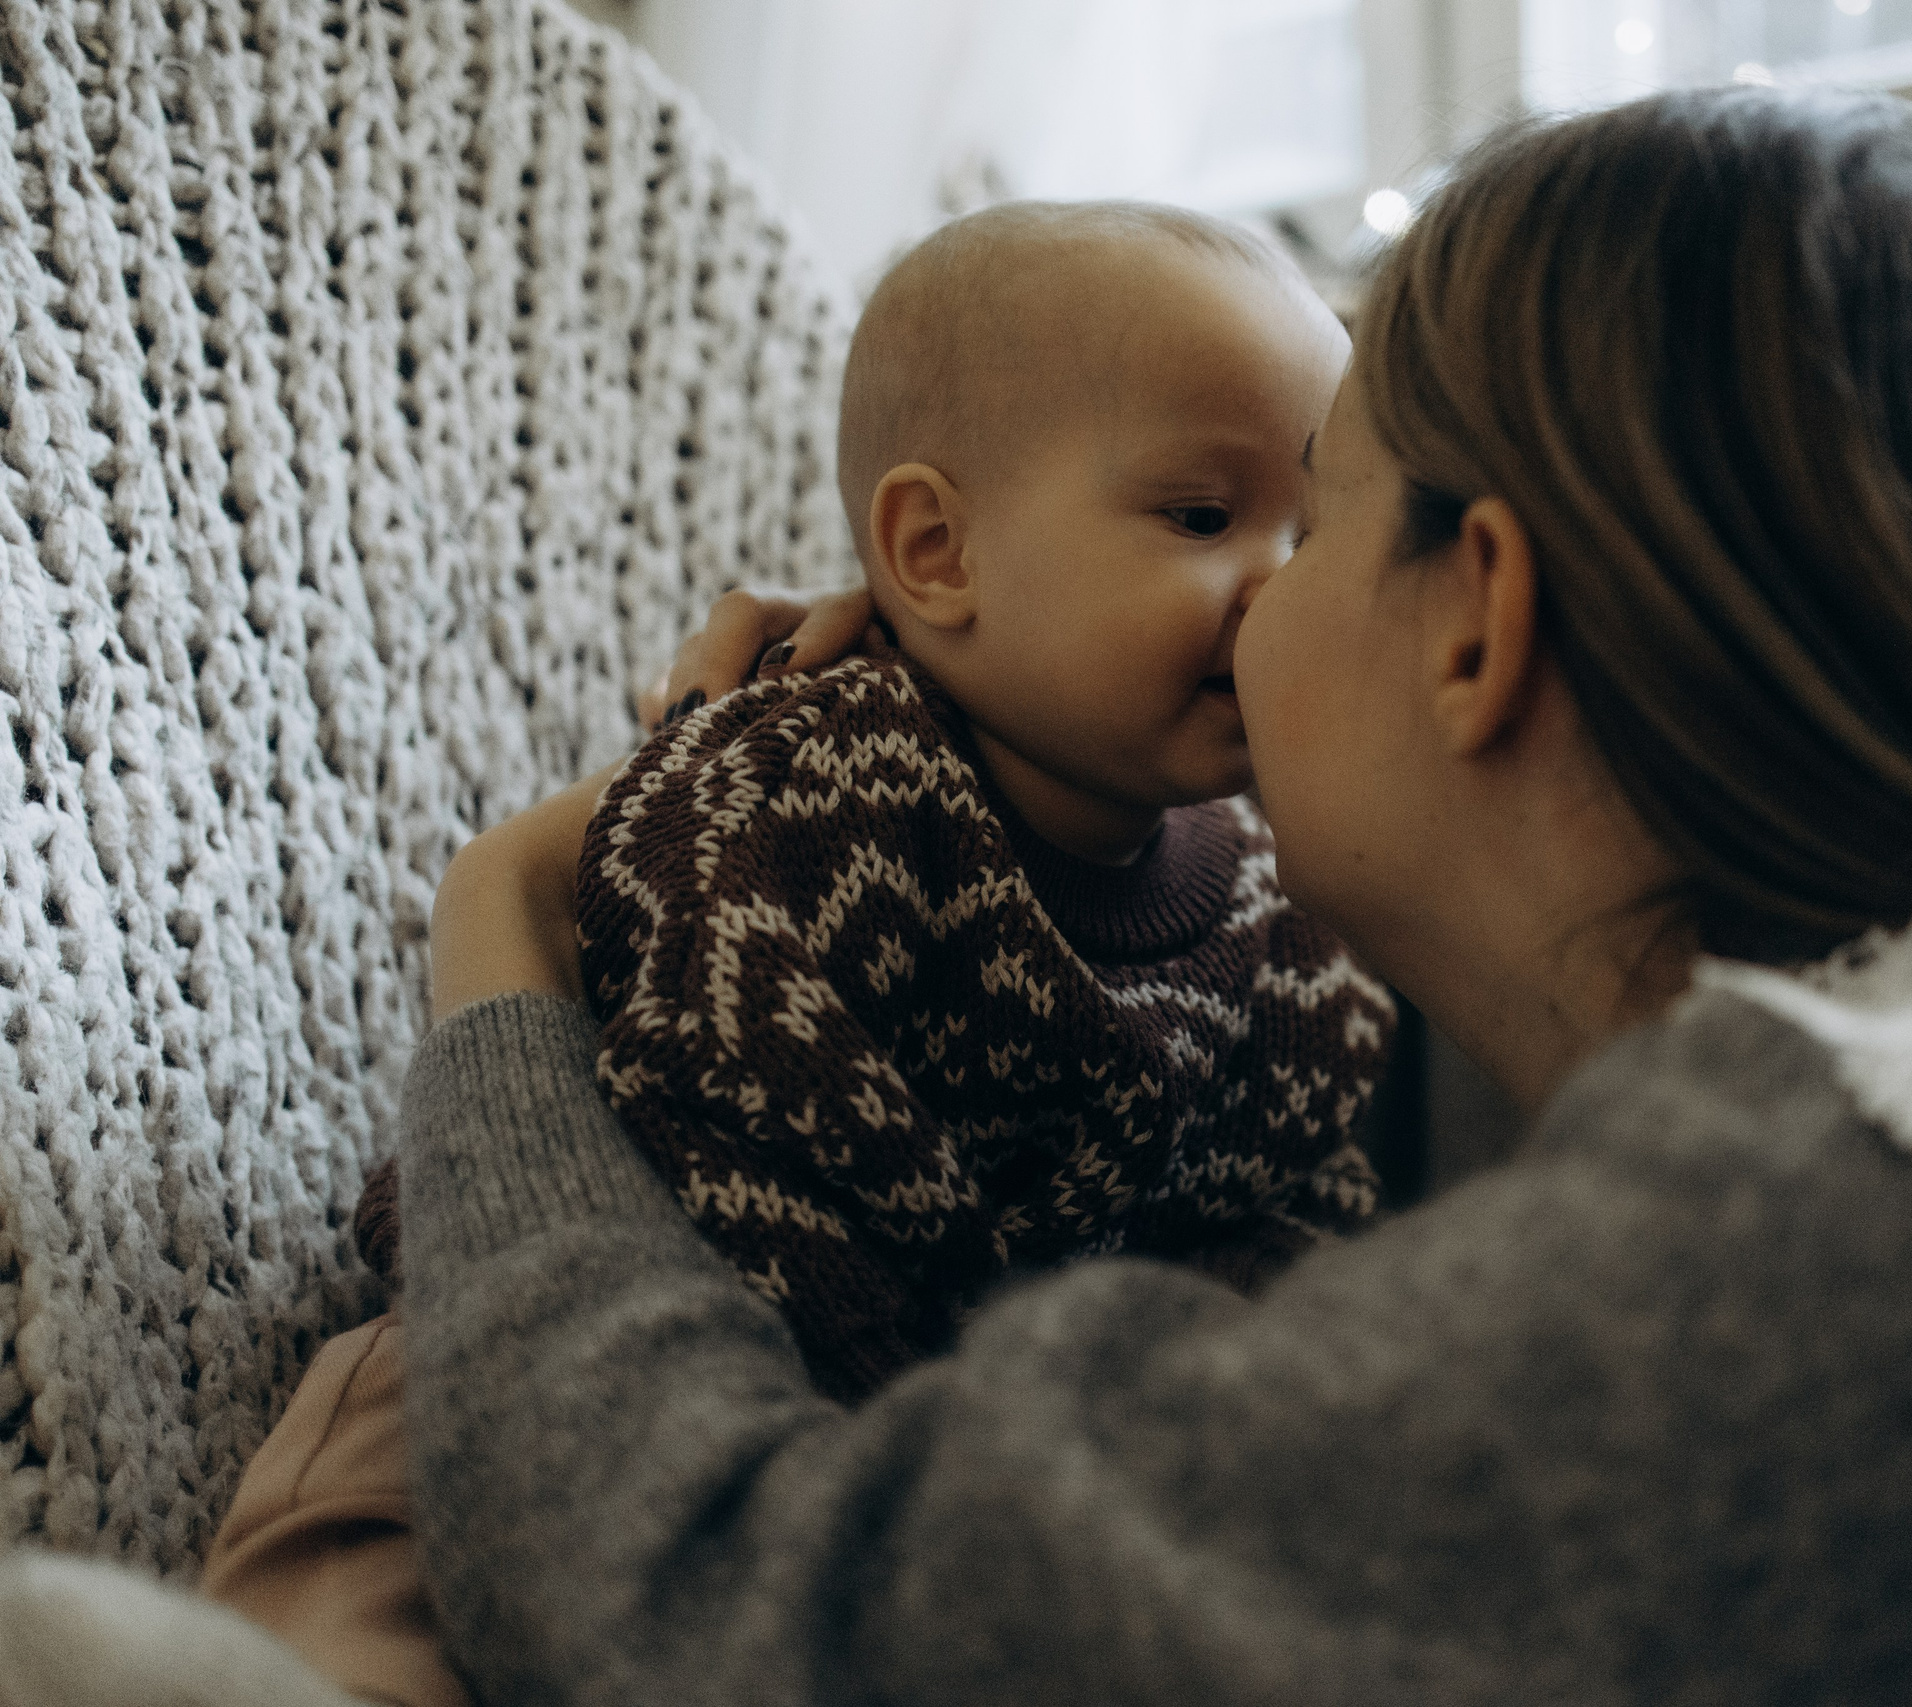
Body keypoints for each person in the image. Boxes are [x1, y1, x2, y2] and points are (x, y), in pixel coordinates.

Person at [398, 89, 1912, 1705]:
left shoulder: (1781, 1260)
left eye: (1312, 513)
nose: (1251, 604)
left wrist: (503, 924)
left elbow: (690, 1603)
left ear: (1475, 618)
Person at [203, 200, 1393, 1702]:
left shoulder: (1276, 906)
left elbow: (1292, 1200)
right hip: (557, 1331)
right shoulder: (808, 789)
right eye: (1203, 520)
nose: (1279, 583)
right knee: (366, 1604)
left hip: (918, 1463)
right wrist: (926, 1436)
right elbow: (727, 1128)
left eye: (1315, 530)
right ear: (936, 551)